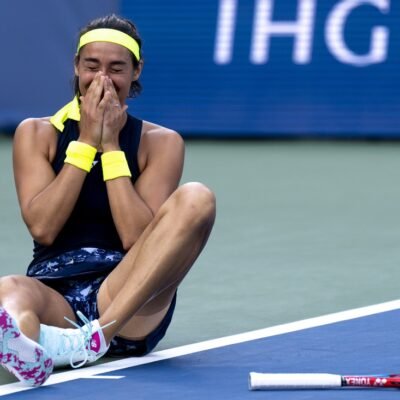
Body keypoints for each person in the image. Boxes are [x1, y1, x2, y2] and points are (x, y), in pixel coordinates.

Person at [2, 14, 216, 387]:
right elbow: (43, 227)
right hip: (54, 294)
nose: (102, 79)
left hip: (129, 302)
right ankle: (30, 346)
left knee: (197, 198)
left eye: (116, 69)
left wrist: (111, 146)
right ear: (76, 66)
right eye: (92, 67)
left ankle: (96, 337)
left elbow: (136, 237)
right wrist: (85, 142)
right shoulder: (35, 133)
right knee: (7, 290)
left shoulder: (161, 143)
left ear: (136, 72)